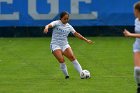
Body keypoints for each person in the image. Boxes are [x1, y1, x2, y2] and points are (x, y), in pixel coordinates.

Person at [44, 11, 93, 79]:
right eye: (65, 19)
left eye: (67, 19)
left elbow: (76, 34)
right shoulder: (56, 23)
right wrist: (46, 28)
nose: (66, 20)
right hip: (55, 45)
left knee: (72, 57)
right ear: (61, 18)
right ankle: (67, 76)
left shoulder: (69, 26)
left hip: (65, 45)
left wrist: (86, 40)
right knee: (62, 60)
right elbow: (49, 25)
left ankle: (82, 74)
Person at [123, 2, 140, 93]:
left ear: (138, 11)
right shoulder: (136, 20)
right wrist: (128, 34)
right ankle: (139, 86)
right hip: (138, 47)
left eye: (135, 10)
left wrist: (130, 34)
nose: (134, 12)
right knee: (137, 70)